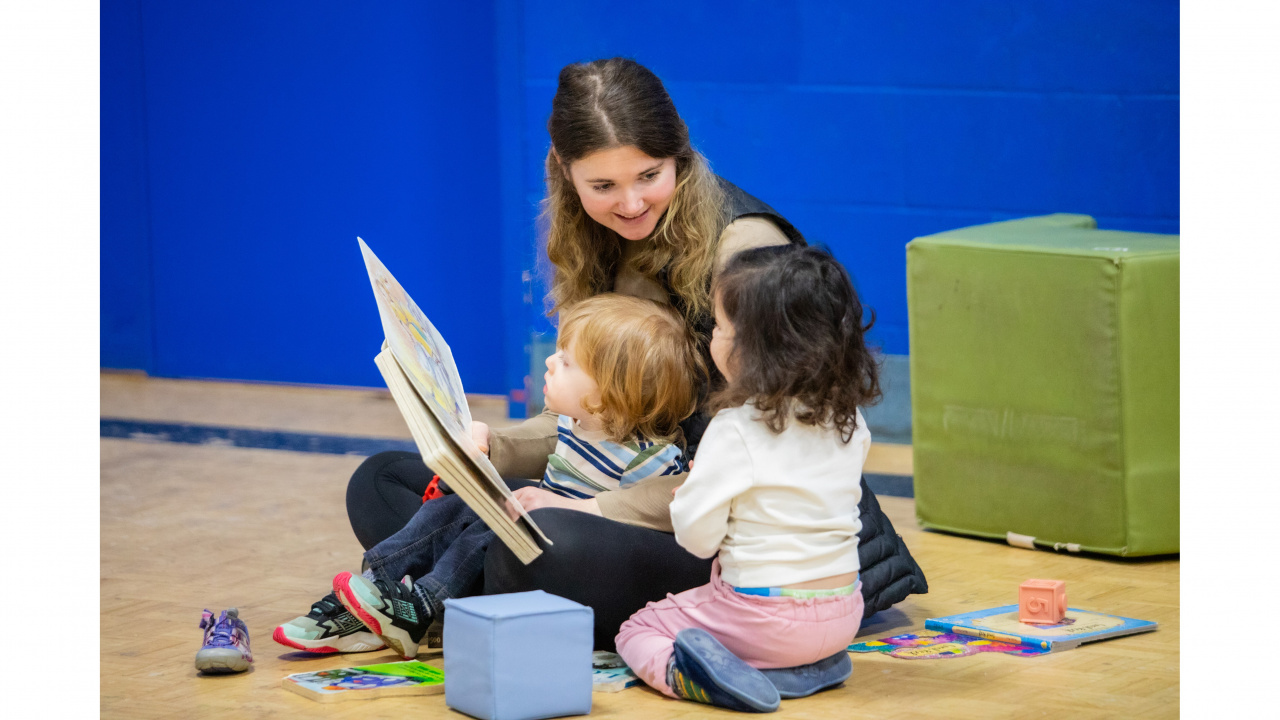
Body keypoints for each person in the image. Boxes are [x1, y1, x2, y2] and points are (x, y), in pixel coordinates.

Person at [334, 57, 925, 657]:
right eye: (603, 187)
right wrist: (492, 448)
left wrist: (586, 506)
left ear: (682, 156)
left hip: (738, 547)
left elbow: (751, 467)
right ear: (565, 172)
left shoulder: (747, 255)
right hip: (632, 492)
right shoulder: (595, 244)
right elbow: (591, 415)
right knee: (382, 482)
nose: (632, 203)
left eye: (649, 175)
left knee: (543, 542)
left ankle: (449, 596)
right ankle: (464, 597)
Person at [615, 244, 877, 713]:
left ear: (753, 350)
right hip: (845, 611)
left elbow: (697, 539)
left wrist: (691, 495)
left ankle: (691, 679)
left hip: (766, 619)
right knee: (758, 619)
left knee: (639, 628)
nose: (711, 337)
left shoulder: (736, 429)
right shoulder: (850, 420)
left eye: (718, 327)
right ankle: (811, 667)